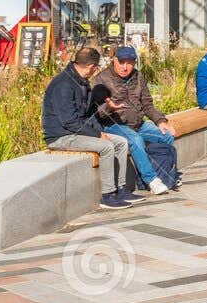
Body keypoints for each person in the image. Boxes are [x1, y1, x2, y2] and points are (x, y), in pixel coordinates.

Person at [42, 46, 138, 210]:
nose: (95, 71)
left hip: (75, 132)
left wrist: (98, 130)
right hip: (61, 136)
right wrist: (97, 134)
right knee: (106, 146)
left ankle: (122, 189)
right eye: (95, 68)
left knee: (121, 142)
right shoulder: (63, 85)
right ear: (91, 67)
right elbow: (69, 121)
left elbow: (87, 114)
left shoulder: (80, 81)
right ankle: (108, 195)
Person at [93, 46, 179, 195]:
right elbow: (95, 111)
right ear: (114, 60)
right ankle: (151, 179)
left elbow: (147, 104)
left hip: (138, 124)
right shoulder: (101, 80)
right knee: (135, 139)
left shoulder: (138, 77)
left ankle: (166, 174)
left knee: (166, 136)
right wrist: (110, 107)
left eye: (130, 63)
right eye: (121, 62)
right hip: (114, 125)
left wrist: (160, 121)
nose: (125, 67)